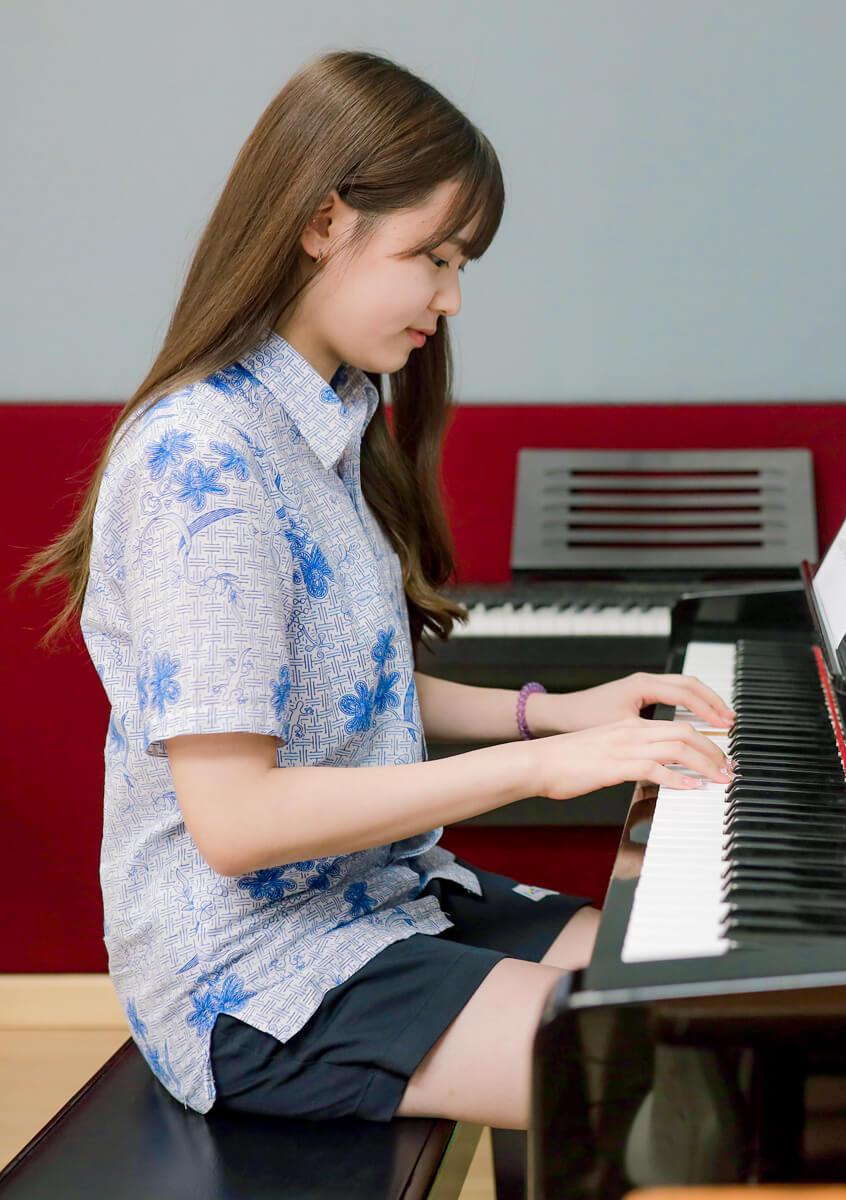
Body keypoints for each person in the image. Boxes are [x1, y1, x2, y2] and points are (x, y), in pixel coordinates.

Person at [16, 49, 734, 1131]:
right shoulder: (201, 461)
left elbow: (354, 688)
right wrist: (540, 767)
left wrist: (552, 711)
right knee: (668, 1075)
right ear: (321, 223)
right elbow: (237, 820)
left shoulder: (328, 416)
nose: (448, 300)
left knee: (698, 984)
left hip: (378, 897)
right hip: (252, 971)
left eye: (462, 266)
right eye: (431, 257)